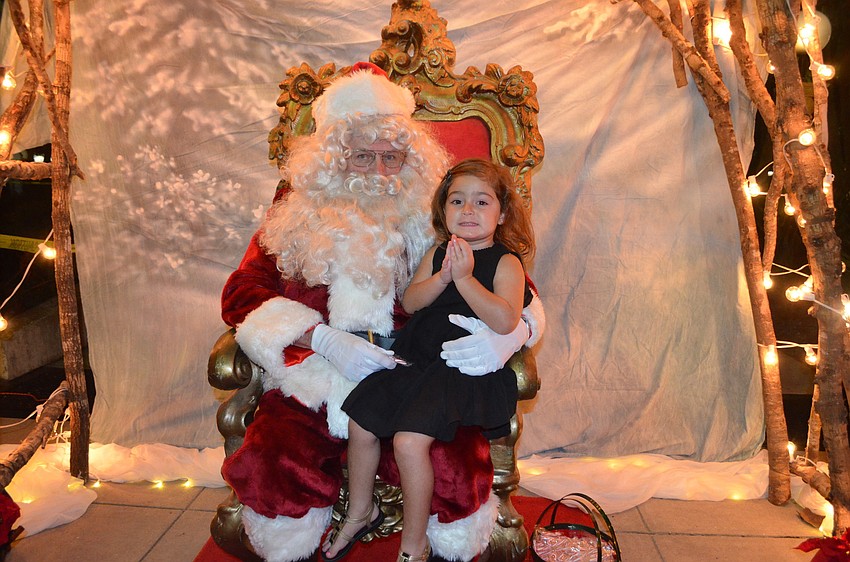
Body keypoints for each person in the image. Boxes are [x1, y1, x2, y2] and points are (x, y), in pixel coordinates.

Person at [219, 62, 545, 562]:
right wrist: (319, 339)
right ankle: (335, 523)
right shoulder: (296, 209)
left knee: (455, 467)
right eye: (362, 156)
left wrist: (511, 336)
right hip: (314, 375)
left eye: (392, 157)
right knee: (275, 460)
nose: (378, 170)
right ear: (333, 158)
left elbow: (519, 289)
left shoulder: (437, 209)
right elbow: (243, 292)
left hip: (416, 370)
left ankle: (423, 545)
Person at [321, 159, 536, 562]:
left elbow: (506, 320)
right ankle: (360, 512)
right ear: (443, 210)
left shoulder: (505, 261)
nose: (468, 210)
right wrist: (442, 277)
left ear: (503, 213)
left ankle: (413, 545)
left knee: (408, 443)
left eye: (482, 202)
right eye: (457, 201)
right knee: (360, 422)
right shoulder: (439, 253)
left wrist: (465, 279)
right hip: (418, 358)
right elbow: (411, 302)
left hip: (461, 369)